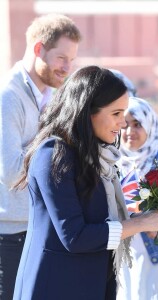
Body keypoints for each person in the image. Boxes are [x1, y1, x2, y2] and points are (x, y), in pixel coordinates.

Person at [12, 66, 158, 300]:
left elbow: (99, 222)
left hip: (90, 284)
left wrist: (151, 221)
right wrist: (141, 223)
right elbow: (74, 236)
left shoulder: (97, 155)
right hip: (56, 286)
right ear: (87, 111)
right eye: (116, 114)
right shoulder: (54, 153)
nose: (123, 124)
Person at [0, 13, 81, 300]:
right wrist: (52, 143)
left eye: (71, 60)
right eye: (61, 58)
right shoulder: (8, 98)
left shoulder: (49, 95)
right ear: (38, 49)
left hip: (37, 229)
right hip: (11, 237)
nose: (67, 68)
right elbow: (10, 172)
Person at [116, 97, 158, 300]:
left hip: (152, 252)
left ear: (150, 126)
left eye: (137, 125)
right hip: (118, 251)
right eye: (124, 125)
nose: (130, 132)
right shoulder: (111, 162)